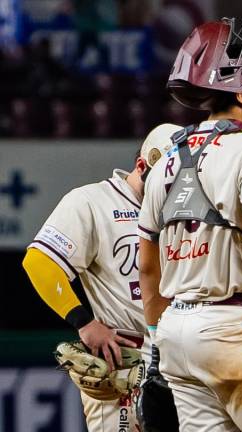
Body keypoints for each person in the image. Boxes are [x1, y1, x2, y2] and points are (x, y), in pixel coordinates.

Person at [137, 18, 242, 431]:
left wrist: (154, 341)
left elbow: (147, 263)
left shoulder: (168, 158)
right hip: (235, 329)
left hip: (177, 332)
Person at [22, 122, 181, 431]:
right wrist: (83, 322)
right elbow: (39, 262)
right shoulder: (92, 202)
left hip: (182, 357)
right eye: (165, 182)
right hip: (125, 360)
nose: (171, 191)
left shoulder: (182, 212)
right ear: (141, 165)